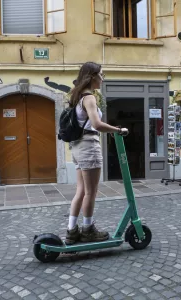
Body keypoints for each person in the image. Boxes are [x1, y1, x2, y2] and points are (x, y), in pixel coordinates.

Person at [65, 62, 129, 245]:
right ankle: (87, 229)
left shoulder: (76, 97)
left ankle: (71, 230)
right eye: (101, 74)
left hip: (77, 146)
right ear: (92, 76)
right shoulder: (89, 98)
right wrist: (118, 129)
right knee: (91, 192)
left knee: (81, 190)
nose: (103, 78)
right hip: (88, 146)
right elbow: (97, 124)